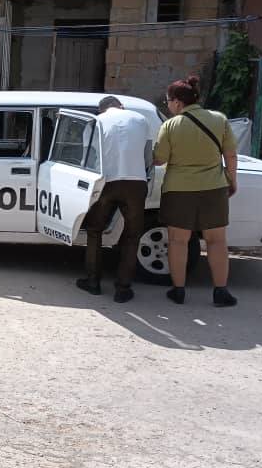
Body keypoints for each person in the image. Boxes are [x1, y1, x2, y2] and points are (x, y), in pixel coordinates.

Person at [153, 76, 239, 308]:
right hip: (214, 188)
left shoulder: (170, 125)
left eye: (168, 101)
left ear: (178, 103)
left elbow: (160, 160)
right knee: (217, 241)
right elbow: (230, 155)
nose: (167, 106)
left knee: (178, 241)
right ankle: (221, 292)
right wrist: (232, 180)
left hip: (179, 190)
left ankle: (178, 291)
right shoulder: (219, 120)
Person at [76, 96, 151, 304]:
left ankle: (93, 282)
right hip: (136, 184)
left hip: (106, 182)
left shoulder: (95, 122)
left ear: (102, 110)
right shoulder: (140, 119)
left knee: (94, 230)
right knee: (132, 235)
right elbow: (148, 156)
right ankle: (123, 288)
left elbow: (87, 157)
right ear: (121, 106)